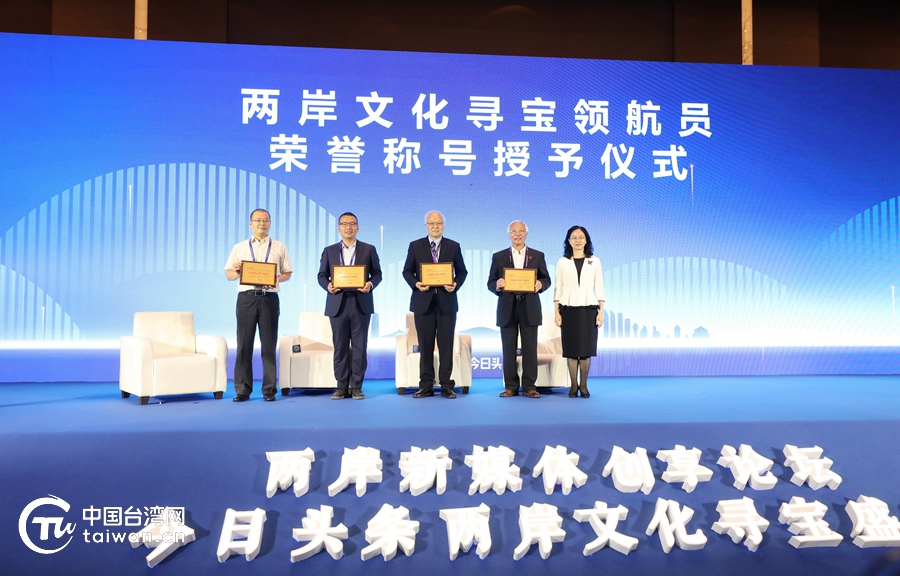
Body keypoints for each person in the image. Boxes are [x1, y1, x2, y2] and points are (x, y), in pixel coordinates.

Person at [225, 209, 293, 402]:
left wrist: (276, 279)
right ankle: (242, 390)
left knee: (269, 346)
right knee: (244, 345)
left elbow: (287, 273)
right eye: (257, 220)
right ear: (250, 224)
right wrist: (238, 272)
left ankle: (269, 390)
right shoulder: (240, 247)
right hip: (246, 299)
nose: (262, 223)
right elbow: (229, 274)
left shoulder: (279, 247)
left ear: (270, 223)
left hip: (269, 298)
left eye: (265, 220)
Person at [402, 210, 468, 399]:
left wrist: (455, 284)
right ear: (426, 226)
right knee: (425, 346)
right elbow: (407, 271)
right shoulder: (415, 246)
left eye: (438, 223)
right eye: (431, 223)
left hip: (447, 303)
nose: (435, 226)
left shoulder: (453, 246)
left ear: (443, 225)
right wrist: (416, 284)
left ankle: (447, 385)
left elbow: (462, 272)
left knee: (446, 346)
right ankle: (426, 385)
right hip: (423, 303)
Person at [317, 212, 382, 400]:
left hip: (361, 303)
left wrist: (370, 284)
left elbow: (377, 274)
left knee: (360, 347)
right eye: (344, 224)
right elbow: (321, 275)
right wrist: (328, 286)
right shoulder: (329, 251)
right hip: (337, 303)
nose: (348, 227)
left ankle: (356, 387)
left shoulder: (368, 249)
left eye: (352, 224)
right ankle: (341, 386)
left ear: (358, 228)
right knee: (340, 347)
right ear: (339, 228)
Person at [487, 220, 551, 398]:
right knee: (508, 349)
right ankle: (511, 386)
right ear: (509, 235)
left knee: (530, 348)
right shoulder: (498, 256)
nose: (517, 234)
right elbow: (490, 282)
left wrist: (540, 284)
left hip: (529, 307)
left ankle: (529, 386)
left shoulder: (537, 255)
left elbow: (546, 279)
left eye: (521, 231)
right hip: (507, 307)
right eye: (513, 231)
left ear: (526, 234)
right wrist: (497, 284)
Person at [553, 225, 605, 398]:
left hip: (589, 309)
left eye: (581, 237)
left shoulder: (595, 261)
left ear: (586, 240)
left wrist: (601, 311)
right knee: (571, 349)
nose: (577, 240)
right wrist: (556, 312)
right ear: (568, 241)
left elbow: (600, 287)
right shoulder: (562, 262)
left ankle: (583, 386)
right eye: (574, 237)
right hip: (568, 309)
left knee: (585, 349)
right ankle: (573, 386)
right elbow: (558, 288)